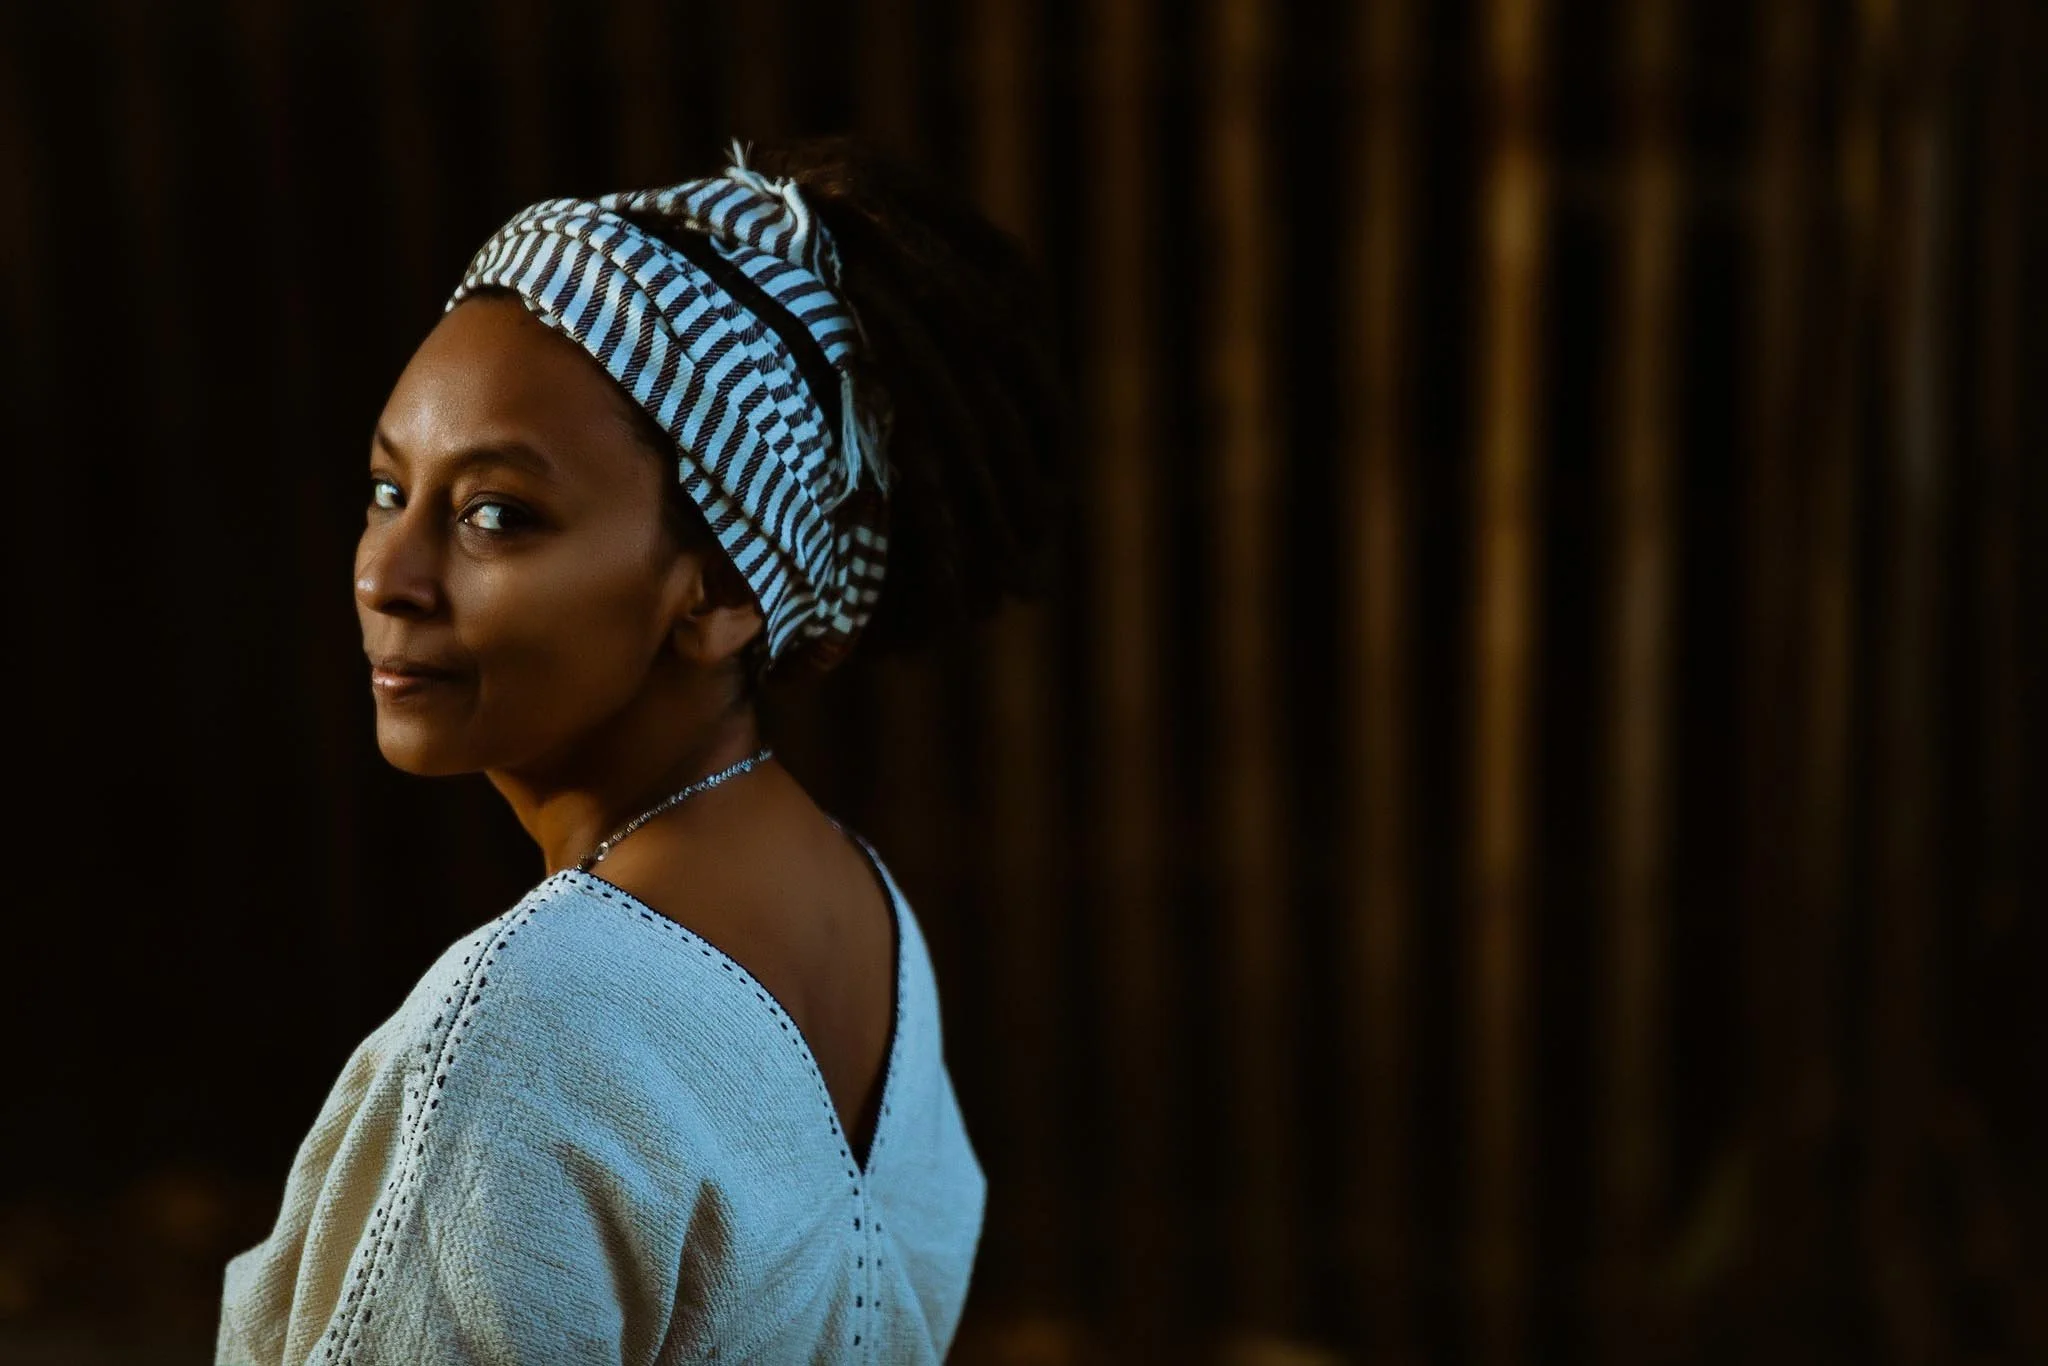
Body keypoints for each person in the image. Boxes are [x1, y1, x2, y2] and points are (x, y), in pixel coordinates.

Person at [214, 135, 1069, 1365]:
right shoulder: (866, 919)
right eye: (388, 489)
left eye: (496, 514)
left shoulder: (531, 1025)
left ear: (717, 587)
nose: (384, 575)